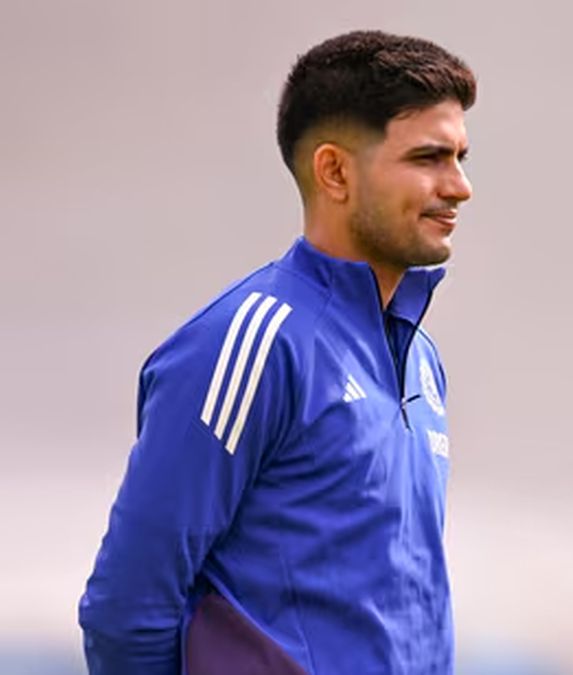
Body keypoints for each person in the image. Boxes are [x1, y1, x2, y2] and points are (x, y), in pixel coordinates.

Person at [78, 30, 475, 674]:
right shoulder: (251, 344)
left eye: (460, 157)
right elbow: (126, 605)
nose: (459, 186)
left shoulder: (420, 360)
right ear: (335, 171)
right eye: (429, 158)